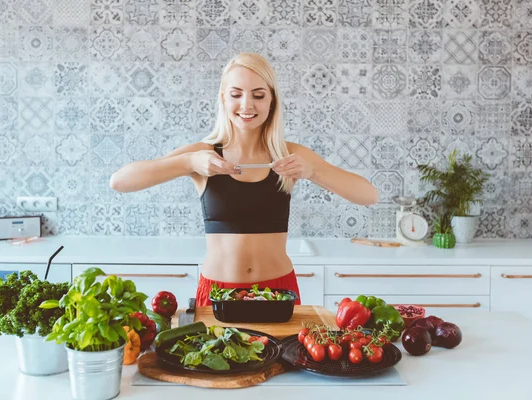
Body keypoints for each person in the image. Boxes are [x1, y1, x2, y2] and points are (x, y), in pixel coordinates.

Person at [110, 53, 378, 307]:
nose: (247, 105)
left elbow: (368, 195)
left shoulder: (289, 154)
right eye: (236, 94)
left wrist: (313, 171)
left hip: (279, 293)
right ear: (223, 99)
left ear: (272, 100)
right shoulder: (202, 154)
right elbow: (120, 182)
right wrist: (189, 162)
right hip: (218, 292)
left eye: (258, 95)